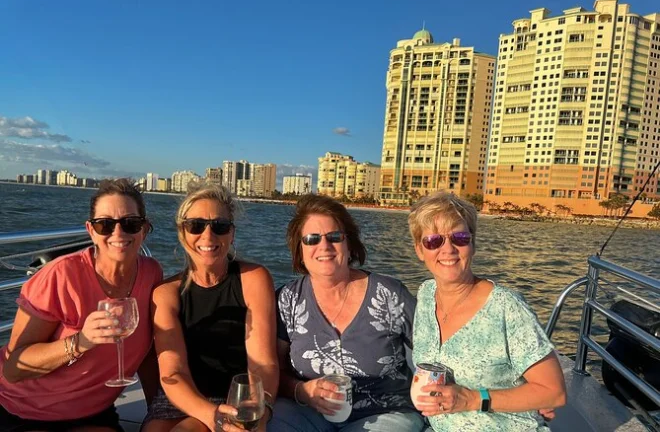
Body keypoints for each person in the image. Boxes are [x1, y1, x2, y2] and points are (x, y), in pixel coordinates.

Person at [0, 178, 163, 431]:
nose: (118, 233)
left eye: (130, 223)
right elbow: (13, 369)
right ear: (91, 230)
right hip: (27, 411)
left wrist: (157, 414)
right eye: (105, 224)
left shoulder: (151, 274)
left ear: (144, 229)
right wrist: (81, 341)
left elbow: (146, 352)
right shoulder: (61, 276)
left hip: (94, 412)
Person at [408, 192, 566, 431]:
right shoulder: (426, 294)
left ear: (472, 244)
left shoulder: (506, 307)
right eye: (433, 241)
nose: (448, 249)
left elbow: (554, 392)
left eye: (460, 238)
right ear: (420, 250)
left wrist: (472, 399)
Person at [269, 194, 425, 432]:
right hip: (310, 412)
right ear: (299, 250)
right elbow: (270, 370)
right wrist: (302, 391)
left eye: (334, 237)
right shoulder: (287, 300)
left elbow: (432, 353)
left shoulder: (390, 294)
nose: (324, 246)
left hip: (385, 413)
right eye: (311, 239)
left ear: (349, 244)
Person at [143, 182, 278, 432]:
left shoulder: (253, 279)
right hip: (180, 397)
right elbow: (174, 372)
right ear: (182, 233)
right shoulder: (166, 293)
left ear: (231, 234)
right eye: (196, 225)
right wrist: (211, 415)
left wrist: (261, 410)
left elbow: (262, 363)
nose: (208, 236)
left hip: (235, 399)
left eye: (219, 226)